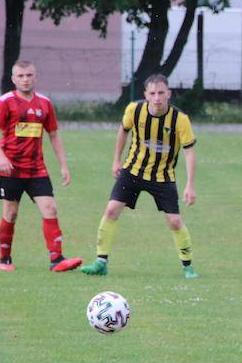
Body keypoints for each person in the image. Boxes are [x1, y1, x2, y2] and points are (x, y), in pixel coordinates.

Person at [81, 74, 199, 279]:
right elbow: (123, 131)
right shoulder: (134, 110)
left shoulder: (180, 120)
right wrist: (116, 160)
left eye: (161, 93)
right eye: (152, 93)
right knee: (111, 210)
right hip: (133, 171)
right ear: (146, 95)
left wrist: (190, 185)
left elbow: (189, 151)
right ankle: (101, 262)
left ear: (169, 94)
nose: (157, 98)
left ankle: (187, 266)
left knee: (174, 221)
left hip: (163, 176)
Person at [0, 60, 82, 273]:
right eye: (20, 76)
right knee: (11, 214)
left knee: (50, 208)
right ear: (13, 79)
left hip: (37, 169)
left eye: (29, 75)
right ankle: (5, 259)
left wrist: (64, 165)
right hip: (10, 169)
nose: (25, 79)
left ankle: (57, 260)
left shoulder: (45, 103)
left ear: (35, 77)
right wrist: (0, 157)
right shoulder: (5, 102)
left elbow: (54, 134)